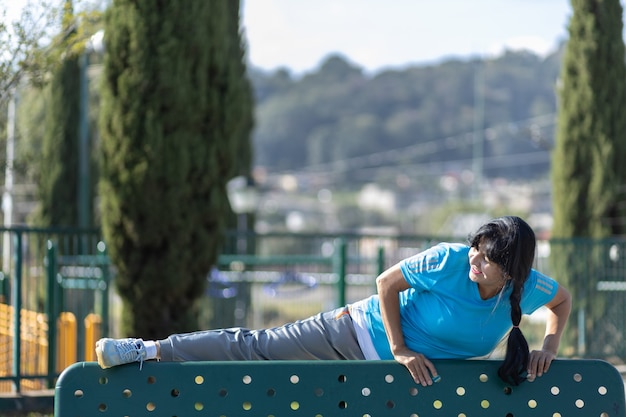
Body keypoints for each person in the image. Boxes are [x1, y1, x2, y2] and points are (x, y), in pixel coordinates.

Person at [96, 215, 571, 386]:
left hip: (399, 387)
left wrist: (547, 348)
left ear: (510, 270)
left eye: (484, 258)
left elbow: (562, 302)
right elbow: (386, 284)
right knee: (254, 347)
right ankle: (148, 349)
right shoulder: (449, 260)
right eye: (475, 248)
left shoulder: (528, 288)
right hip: (353, 333)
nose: (473, 259)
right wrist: (401, 348)